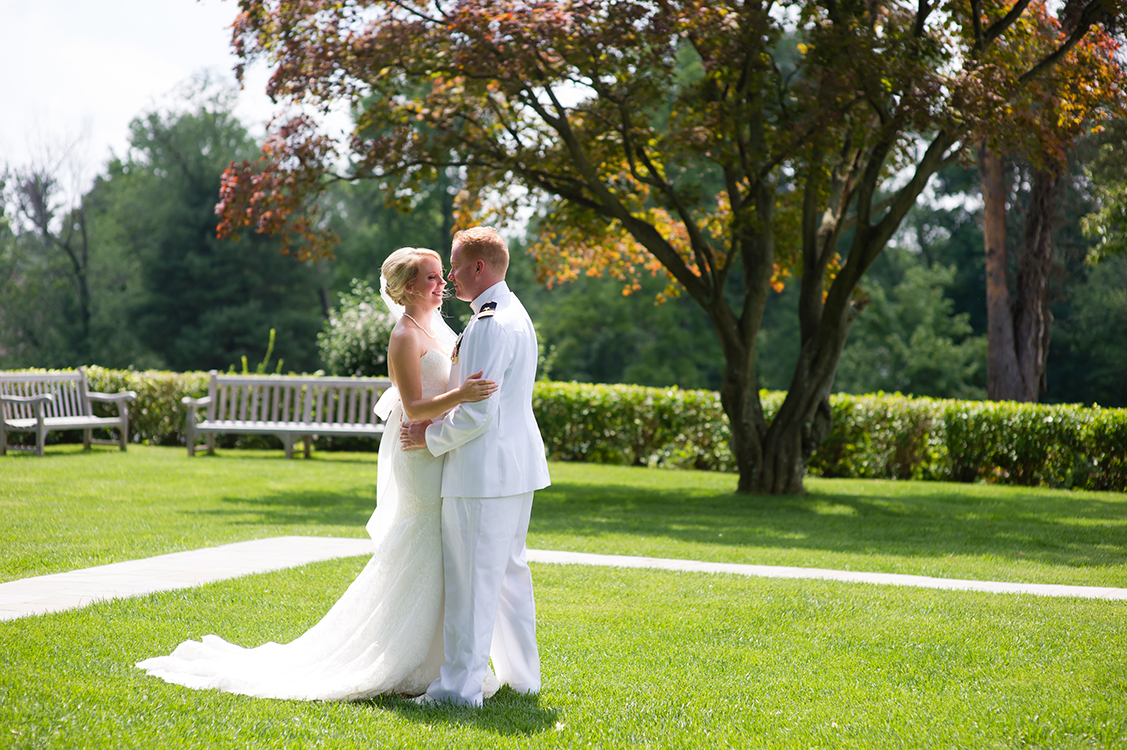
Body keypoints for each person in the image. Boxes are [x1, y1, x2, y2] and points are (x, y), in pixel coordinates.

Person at [135, 247, 500, 701]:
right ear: (408, 288)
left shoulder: (439, 327)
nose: (442, 281)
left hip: (437, 448)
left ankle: (440, 659)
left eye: (439, 275)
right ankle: (399, 655)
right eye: (431, 277)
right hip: (418, 454)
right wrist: (462, 395)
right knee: (423, 543)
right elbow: (412, 407)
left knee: (439, 547)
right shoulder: (405, 336)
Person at [400, 226, 551, 707]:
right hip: (514, 469)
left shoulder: (488, 322)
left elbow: (478, 412)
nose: (450, 275)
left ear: (478, 268)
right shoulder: (514, 312)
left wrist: (430, 436)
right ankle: (523, 678)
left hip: (482, 473)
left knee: (470, 583)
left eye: (455, 265)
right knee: (508, 577)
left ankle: (457, 691)